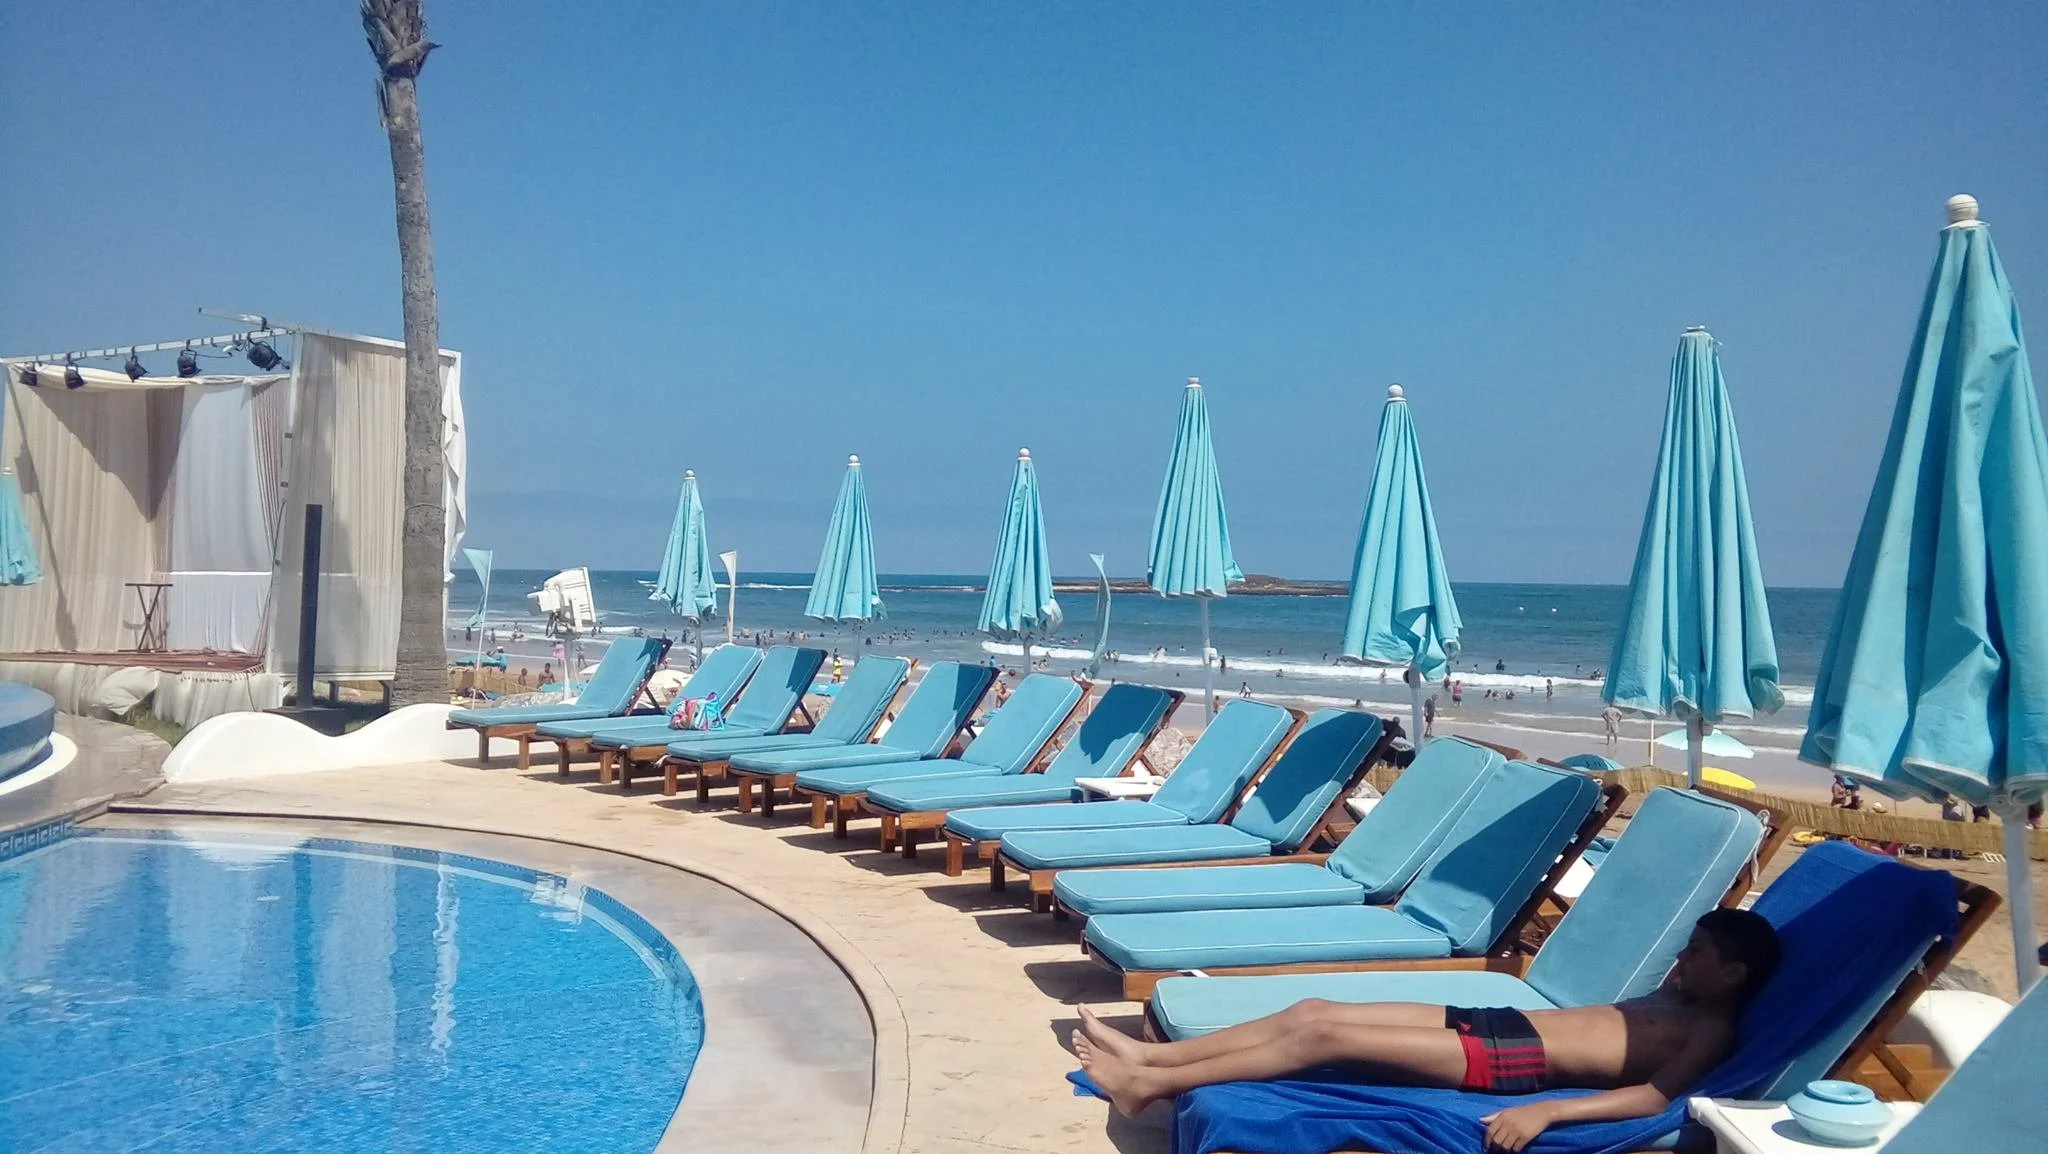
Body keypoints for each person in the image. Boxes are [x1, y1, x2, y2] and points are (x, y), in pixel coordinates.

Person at [1073, 910, 1780, 1150]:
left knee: (1325, 1042)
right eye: (1686, 947)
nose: (1682, 960)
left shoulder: (1709, 1032)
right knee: (1312, 1012)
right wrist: (1686, 964)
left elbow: (1653, 1099)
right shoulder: (1680, 995)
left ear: (1737, 975)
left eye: (1700, 955)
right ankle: (1150, 1054)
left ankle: (1148, 1086)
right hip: (1501, 1024)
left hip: (1514, 1066)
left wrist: (1548, 1110)